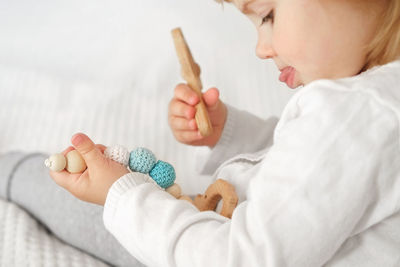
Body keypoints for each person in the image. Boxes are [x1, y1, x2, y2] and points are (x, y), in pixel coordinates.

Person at [1, 0, 399, 266]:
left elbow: (241, 258)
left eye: (266, 15)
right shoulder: (375, 107)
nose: (261, 48)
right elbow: (305, 165)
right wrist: (229, 132)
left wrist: (123, 196)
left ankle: (11, 171)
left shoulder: (357, 112)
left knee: (94, 209)